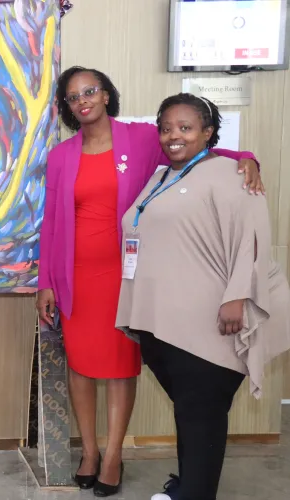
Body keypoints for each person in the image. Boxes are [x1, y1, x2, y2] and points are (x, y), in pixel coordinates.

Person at [35, 67, 263, 497]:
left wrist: (247, 157)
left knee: (120, 367)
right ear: (67, 107)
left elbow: (196, 151)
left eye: (90, 91)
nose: (82, 100)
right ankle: (88, 452)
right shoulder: (61, 156)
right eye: (72, 97)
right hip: (75, 277)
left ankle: (115, 454)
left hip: (126, 279)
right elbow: (51, 223)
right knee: (81, 366)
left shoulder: (141, 138)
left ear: (106, 95)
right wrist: (46, 280)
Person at [117, 94, 290, 500]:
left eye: (185, 127)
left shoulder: (233, 173)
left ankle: (195, 493)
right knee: (190, 410)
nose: (173, 136)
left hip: (207, 321)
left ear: (208, 132)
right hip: (164, 322)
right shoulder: (162, 175)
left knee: (201, 411)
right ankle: (189, 484)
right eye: (166, 128)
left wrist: (238, 297)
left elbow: (253, 239)